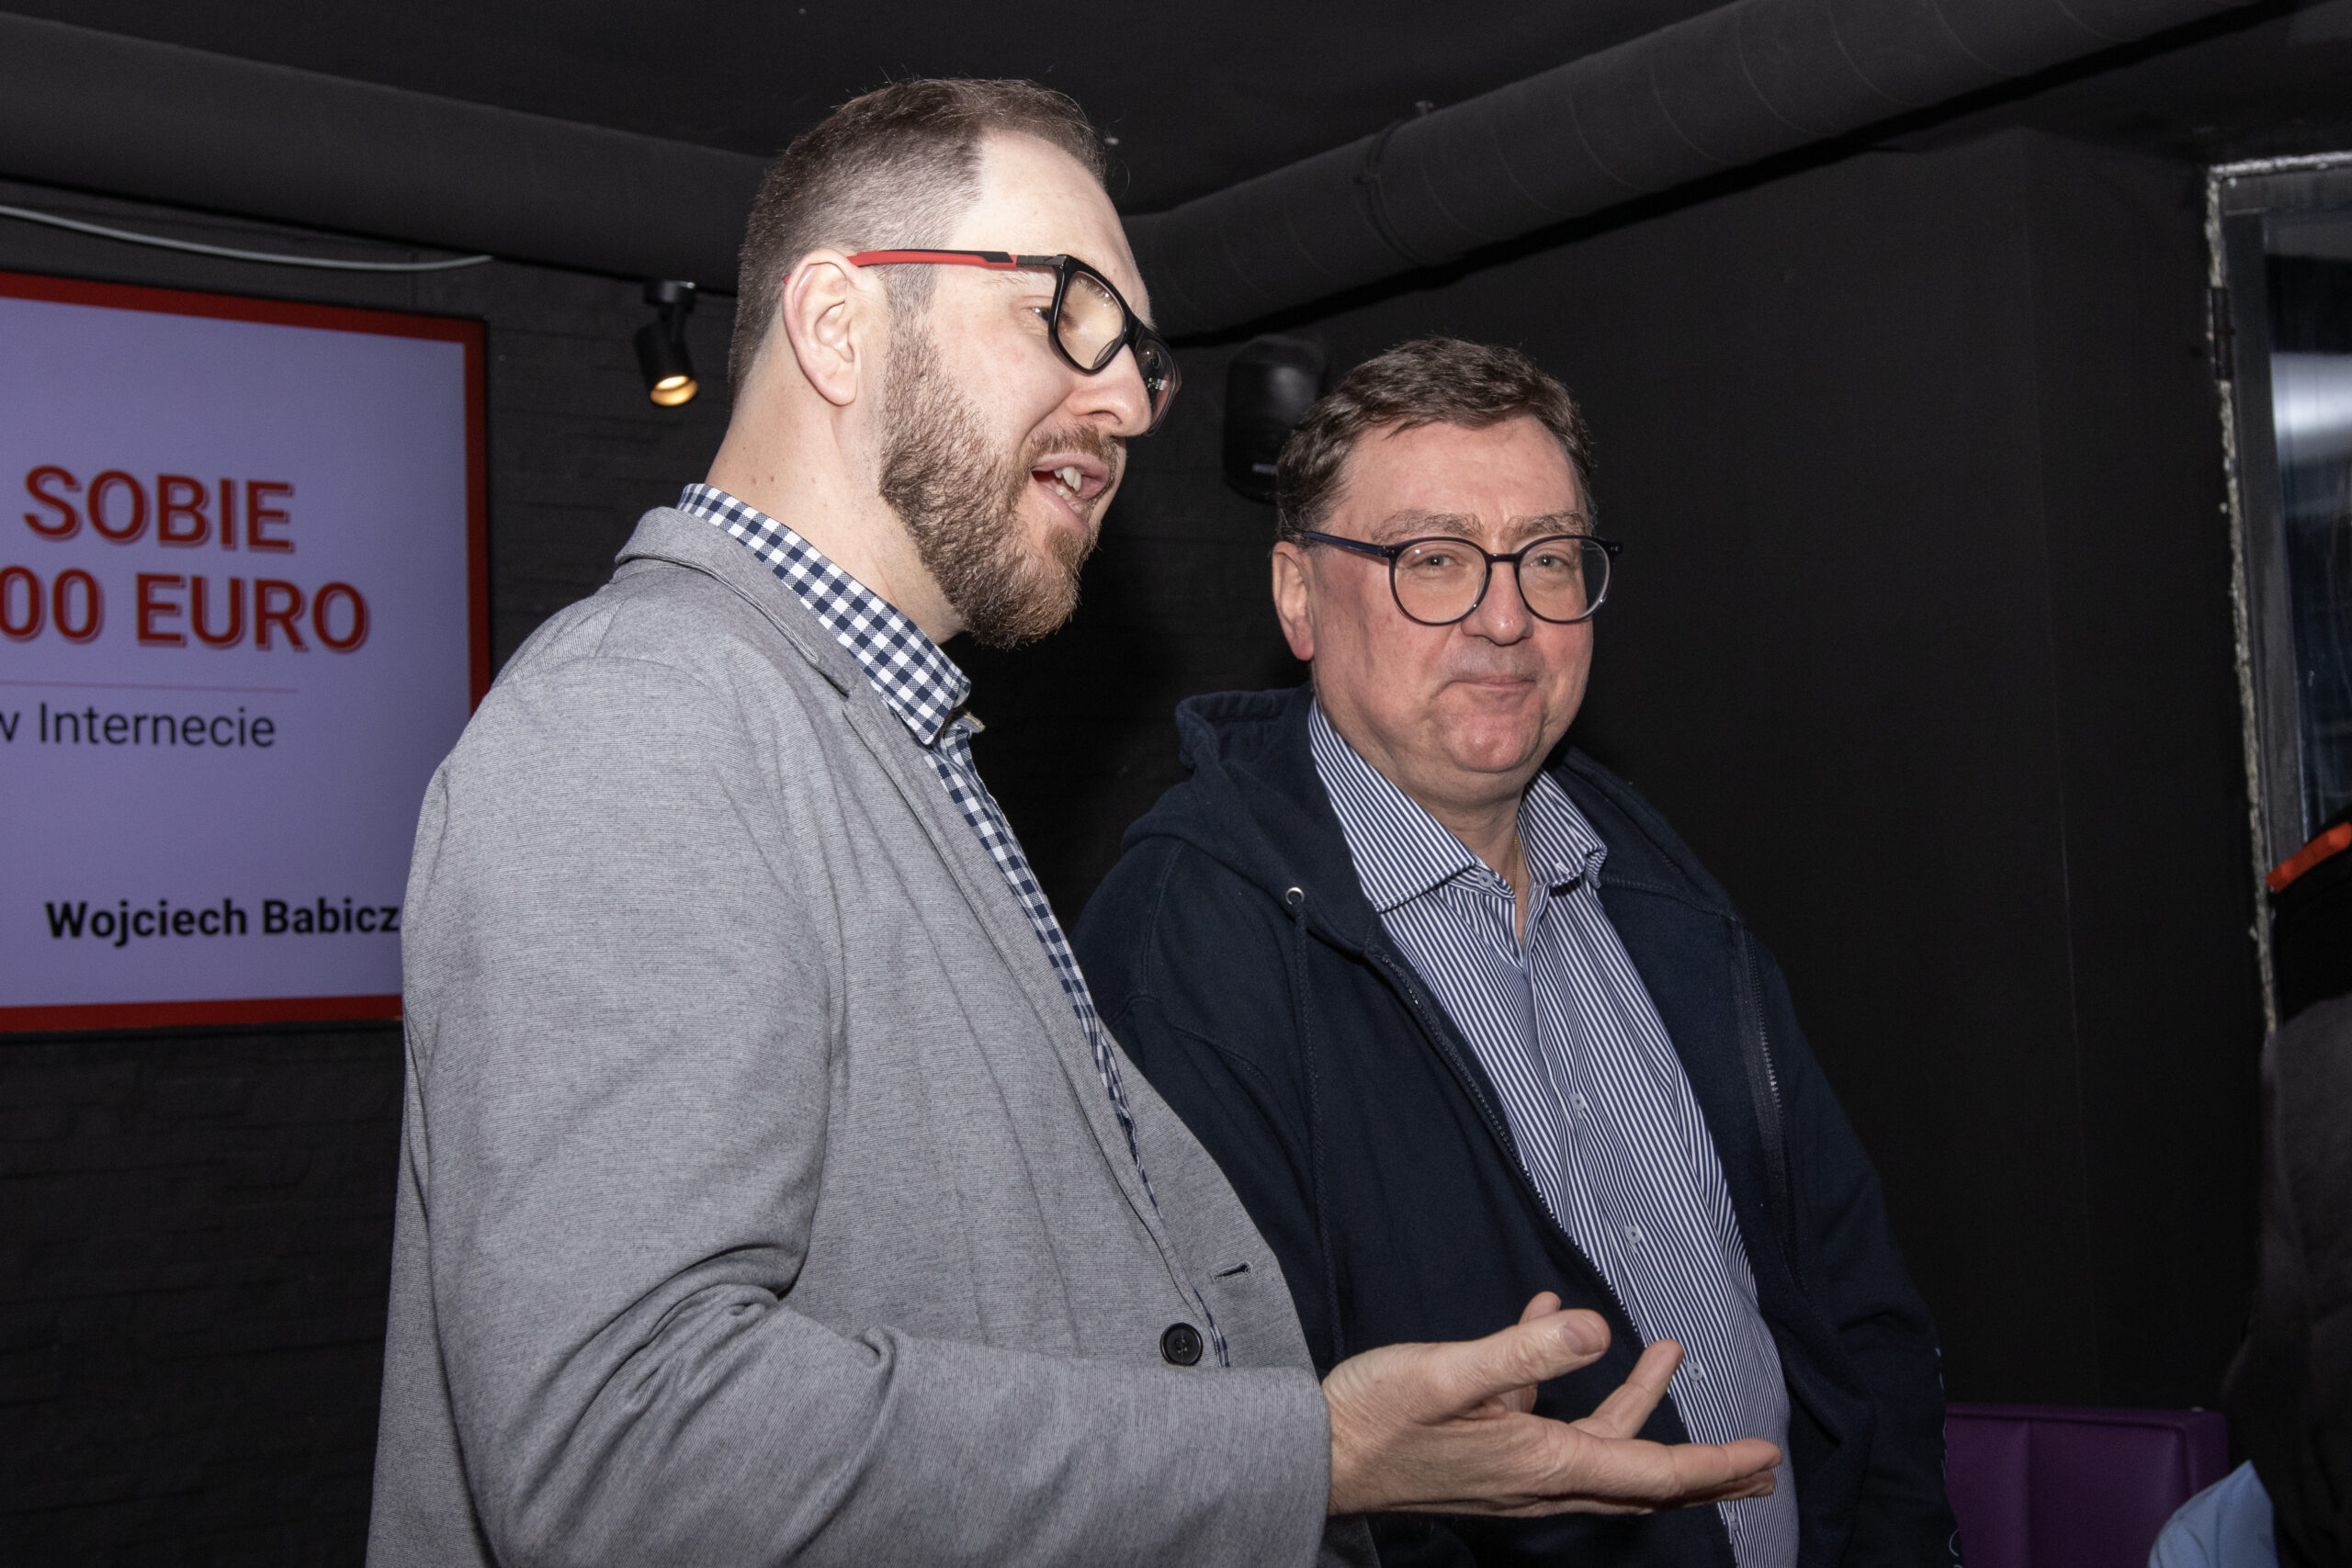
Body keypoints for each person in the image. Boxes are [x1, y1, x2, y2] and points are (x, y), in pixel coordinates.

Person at [364, 85, 1781, 1568]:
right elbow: (619, 1456)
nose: (1131, 405)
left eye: (1141, 356)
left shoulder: (880, 738)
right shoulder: (645, 714)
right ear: (839, 326)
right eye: (1066, 314)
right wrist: (1306, 1453)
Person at [1074, 337, 1958, 1567]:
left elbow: (1853, 1302)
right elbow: (1214, 1457)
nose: (1506, 618)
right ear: (1298, 597)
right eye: (1433, 560)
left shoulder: (1647, 872)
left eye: (1547, 559)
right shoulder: (1189, 944)